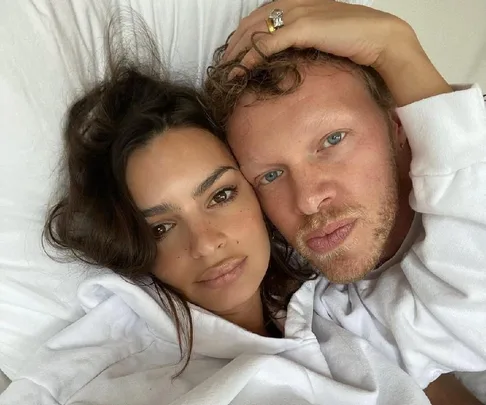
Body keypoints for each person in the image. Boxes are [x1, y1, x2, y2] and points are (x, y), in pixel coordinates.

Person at [0, 16, 439, 405]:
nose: (206, 242)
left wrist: (395, 46)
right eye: (162, 226)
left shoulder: (336, 308)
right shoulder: (101, 377)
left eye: (221, 196)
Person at [205, 0, 486, 395]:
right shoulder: (308, 298)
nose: (307, 200)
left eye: (331, 140)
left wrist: (397, 48)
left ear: (398, 124)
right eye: (270, 174)